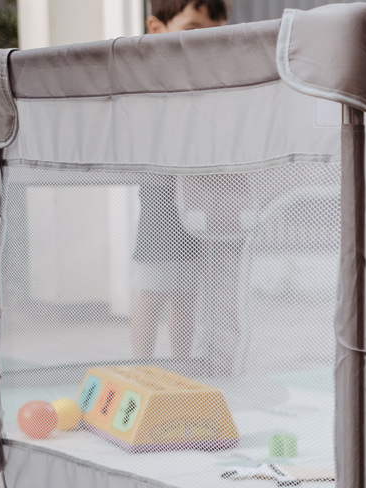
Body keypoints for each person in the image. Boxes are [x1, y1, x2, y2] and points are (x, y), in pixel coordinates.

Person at [131, 0, 230, 359]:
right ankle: (141, 367)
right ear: (157, 29)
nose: (205, 43)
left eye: (216, 34)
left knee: (186, 289)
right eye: (192, 30)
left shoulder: (212, 79)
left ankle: (182, 366)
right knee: (154, 286)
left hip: (198, 194)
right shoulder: (154, 74)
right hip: (161, 192)